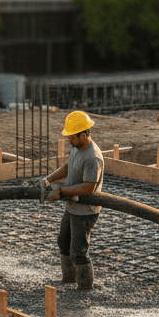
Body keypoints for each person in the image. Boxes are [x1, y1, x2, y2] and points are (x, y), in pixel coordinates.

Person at [43, 110, 104, 290]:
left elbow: (88, 188)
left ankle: (85, 289)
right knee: (64, 242)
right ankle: (68, 280)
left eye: (72, 137)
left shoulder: (93, 157)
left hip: (85, 212)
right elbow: (69, 166)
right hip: (72, 207)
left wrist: (60, 192)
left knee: (78, 252)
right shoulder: (78, 148)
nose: (69, 140)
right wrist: (49, 179)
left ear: (84, 135)